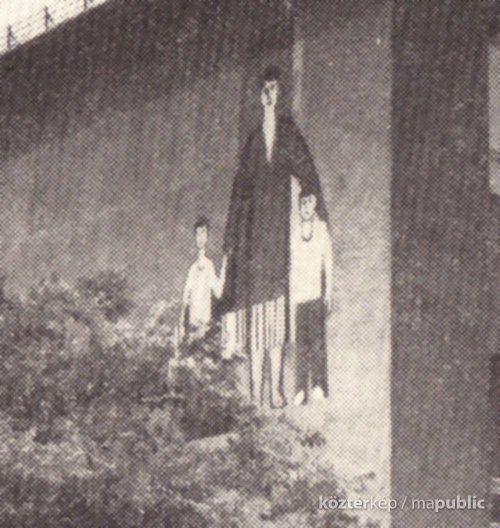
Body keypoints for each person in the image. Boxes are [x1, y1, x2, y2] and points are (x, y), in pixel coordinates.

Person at [222, 66, 328, 407]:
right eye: (264, 89)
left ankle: (279, 390)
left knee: (279, 319)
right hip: (255, 243)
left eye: (274, 89)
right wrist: (230, 243)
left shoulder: (288, 133)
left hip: (280, 237)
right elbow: (238, 193)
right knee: (256, 322)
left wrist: (318, 219)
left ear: (280, 94)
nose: (269, 94)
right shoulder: (253, 141)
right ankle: (257, 394)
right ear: (259, 95)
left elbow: (308, 173)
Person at [290, 188, 333, 405]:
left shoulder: (322, 229)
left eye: (308, 203)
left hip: (316, 295)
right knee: (301, 345)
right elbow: (292, 267)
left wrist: (328, 290)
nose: (305, 207)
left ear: (314, 204)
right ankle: (300, 389)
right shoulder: (295, 233)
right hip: (300, 297)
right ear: (299, 208)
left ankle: (318, 385)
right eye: (302, 204)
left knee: (317, 342)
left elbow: (328, 261)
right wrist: (292, 297)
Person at [181, 217, 227, 339]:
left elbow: (219, 292)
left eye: (203, 233)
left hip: (205, 327)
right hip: (192, 328)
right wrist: (183, 329)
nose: (200, 237)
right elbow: (186, 300)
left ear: (208, 236)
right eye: (197, 234)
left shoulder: (209, 265)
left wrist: (224, 266)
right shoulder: (192, 269)